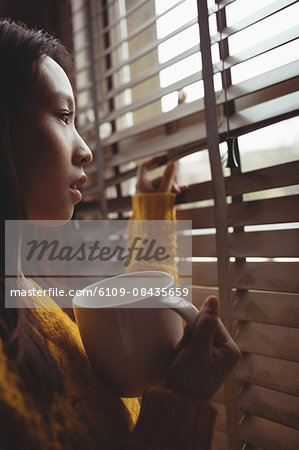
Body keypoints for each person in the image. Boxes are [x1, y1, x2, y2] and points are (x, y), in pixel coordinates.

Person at [0, 19, 241, 449]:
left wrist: (151, 218)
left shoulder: (30, 296)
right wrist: (180, 403)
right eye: (62, 116)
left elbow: (129, 340)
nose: (86, 149)